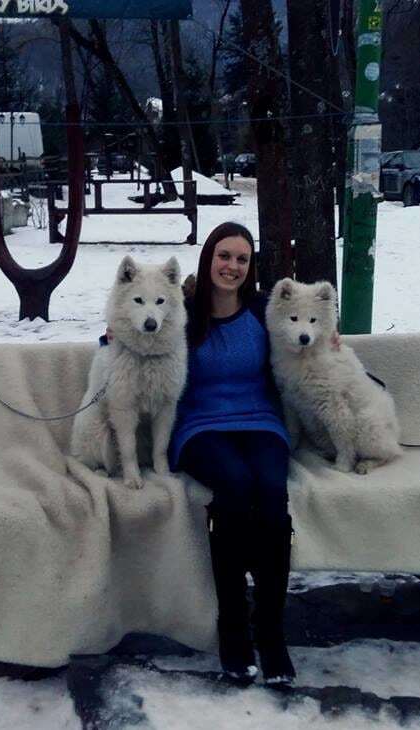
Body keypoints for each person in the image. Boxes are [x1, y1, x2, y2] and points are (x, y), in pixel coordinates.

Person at [168, 221, 296, 687]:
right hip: (200, 427)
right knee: (235, 487)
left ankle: (271, 630)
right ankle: (234, 631)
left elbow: (310, 331)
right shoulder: (182, 313)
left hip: (260, 421)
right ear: (208, 259)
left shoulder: (263, 310)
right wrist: (112, 338)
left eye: (242, 259)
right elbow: (139, 343)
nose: (233, 266)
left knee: (271, 491)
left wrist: (332, 342)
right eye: (225, 256)